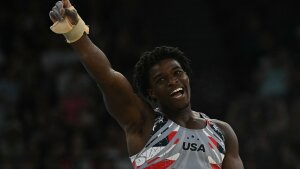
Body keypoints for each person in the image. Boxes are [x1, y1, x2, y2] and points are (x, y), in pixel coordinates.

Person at [49, 0, 244, 168]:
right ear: (151, 92)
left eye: (177, 73)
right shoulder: (143, 123)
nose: (172, 81)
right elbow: (107, 77)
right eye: (161, 79)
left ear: (187, 77)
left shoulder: (222, 132)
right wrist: (74, 32)